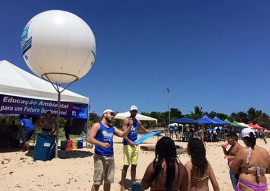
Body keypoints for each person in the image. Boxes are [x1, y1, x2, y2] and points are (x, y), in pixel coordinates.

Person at [88, 109, 132, 191]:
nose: (112, 116)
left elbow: (122, 134)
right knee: (97, 182)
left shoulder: (112, 128)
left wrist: (129, 127)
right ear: (104, 114)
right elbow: (90, 139)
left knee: (108, 181)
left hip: (110, 157)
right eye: (111, 114)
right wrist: (102, 144)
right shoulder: (97, 125)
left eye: (113, 115)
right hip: (100, 157)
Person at [120, 105, 151, 191]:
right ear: (130, 111)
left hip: (136, 145)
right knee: (126, 165)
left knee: (134, 165)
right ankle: (122, 185)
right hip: (127, 144)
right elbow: (123, 134)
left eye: (135, 111)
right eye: (133, 111)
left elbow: (144, 130)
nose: (134, 112)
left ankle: (133, 183)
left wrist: (154, 132)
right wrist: (129, 141)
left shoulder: (137, 121)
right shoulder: (126, 120)